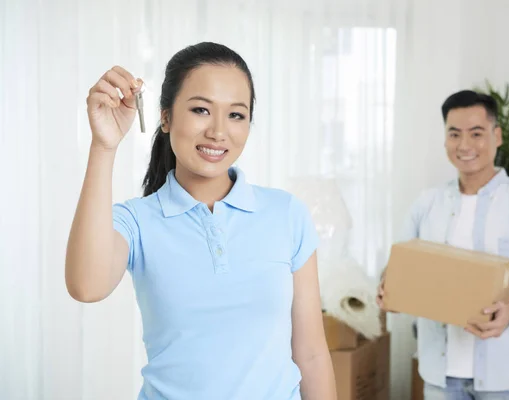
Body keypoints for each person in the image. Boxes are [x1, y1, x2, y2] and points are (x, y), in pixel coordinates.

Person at [65, 42, 337, 400]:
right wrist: (104, 145)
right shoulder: (136, 221)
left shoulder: (286, 214)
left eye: (236, 115)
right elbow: (86, 286)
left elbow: (312, 355)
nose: (218, 131)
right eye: (200, 110)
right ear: (165, 117)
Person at [377, 90, 509, 399]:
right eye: (454, 134)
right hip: (440, 378)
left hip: (508, 379)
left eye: (476, 133)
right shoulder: (426, 205)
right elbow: (398, 270)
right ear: (445, 140)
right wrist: (389, 290)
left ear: (497, 136)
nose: (464, 145)